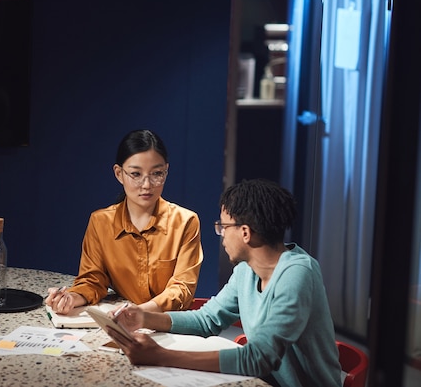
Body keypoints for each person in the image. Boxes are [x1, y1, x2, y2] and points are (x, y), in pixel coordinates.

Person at [107, 178, 342, 387]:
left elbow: (258, 359)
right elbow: (206, 319)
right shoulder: (245, 271)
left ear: (245, 233)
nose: (221, 235)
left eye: (223, 226)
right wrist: (143, 317)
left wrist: (159, 356)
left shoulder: (297, 273)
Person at [45, 129, 203, 314]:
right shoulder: (101, 222)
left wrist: (139, 313)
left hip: (168, 322)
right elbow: (93, 281)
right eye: (136, 174)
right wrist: (70, 298)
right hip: (124, 319)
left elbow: (182, 290)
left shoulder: (185, 221)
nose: (147, 184)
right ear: (119, 173)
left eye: (157, 173)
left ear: (166, 171)